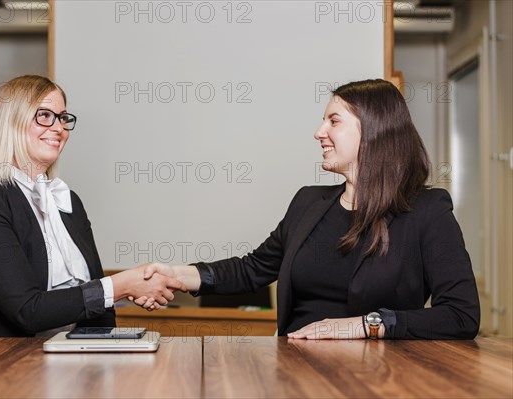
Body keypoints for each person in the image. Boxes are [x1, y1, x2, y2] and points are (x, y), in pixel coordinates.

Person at [133, 79, 480, 340]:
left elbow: (461, 315)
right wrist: (179, 276)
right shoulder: (308, 202)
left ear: (373, 131)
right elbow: (252, 269)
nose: (319, 133)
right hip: (294, 367)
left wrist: (365, 326)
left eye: (334, 121)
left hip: (378, 377)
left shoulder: (427, 211)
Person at [0, 75, 185, 337]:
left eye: (63, 117)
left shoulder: (68, 200)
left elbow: (101, 307)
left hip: (69, 362)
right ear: (11, 122)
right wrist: (122, 285)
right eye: (44, 115)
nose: (59, 128)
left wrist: (102, 360)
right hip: (2, 365)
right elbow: (27, 310)